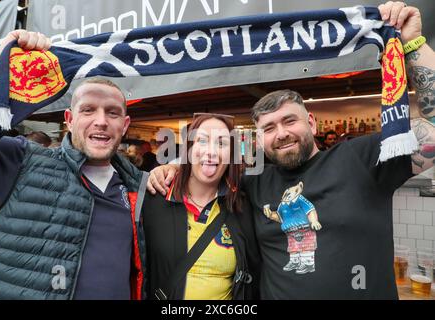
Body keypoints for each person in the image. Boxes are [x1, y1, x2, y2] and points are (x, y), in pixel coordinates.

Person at [147, 2, 435, 299]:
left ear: (311, 122)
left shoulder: (361, 158)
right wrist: (171, 168)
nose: (281, 134)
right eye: (269, 128)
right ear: (258, 140)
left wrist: (413, 44)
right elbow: (205, 173)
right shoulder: (253, 185)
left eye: (289, 121)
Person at [0, 31, 147, 300]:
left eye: (112, 112)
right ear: (69, 120)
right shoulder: (19, 161)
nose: (101, 121)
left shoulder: (140, 186)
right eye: (88, 110)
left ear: (125, 125)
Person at [142, 113, 258, 300]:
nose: (211, 152)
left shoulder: (243, 206)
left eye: (221, 144)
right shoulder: (155, 198)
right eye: (202, 141)